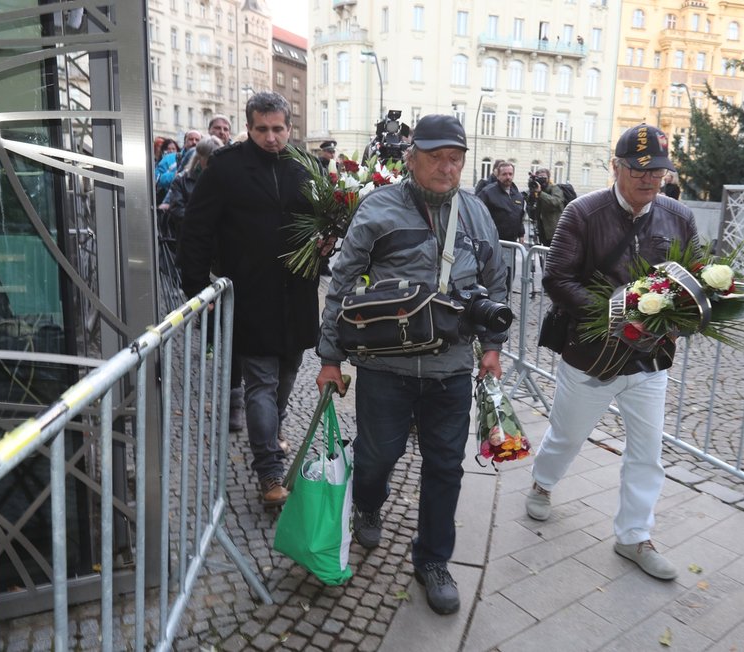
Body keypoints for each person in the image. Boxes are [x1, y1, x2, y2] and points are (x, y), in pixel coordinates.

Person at [315, 114, 509, 615]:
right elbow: (341, 283)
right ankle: (367, 502)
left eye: (456, 159)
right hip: (386, 367)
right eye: (437, 157)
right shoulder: (378, 208)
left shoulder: (477, 213)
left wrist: (493, 345)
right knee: (379, 455)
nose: (448, 168)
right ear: (411, 157)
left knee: (446, 466)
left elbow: (498, 281)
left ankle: (433, 560)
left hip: (450, 370)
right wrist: (330, 357)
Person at [526, 124, 699, 582]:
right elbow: (556, 279)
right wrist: (616, 313)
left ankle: (634, 536)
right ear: (616, 167)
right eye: (639, 169)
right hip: (591, 356)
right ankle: (543, 483)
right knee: (568, 435)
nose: (649, 179)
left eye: (657, 171)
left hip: (650, 359)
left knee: (648, 452)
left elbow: (693, 278)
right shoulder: (581, 213)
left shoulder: (679, 216)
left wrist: (686, 316)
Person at [177, 91, 320, 508]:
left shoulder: (303, 167)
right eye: (262, 129)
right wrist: (196, 290)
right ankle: (269, 470)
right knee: (261, 382)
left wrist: (326, 242)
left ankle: (271, 432)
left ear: (290, 128)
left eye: (278, 129)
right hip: (249, 293)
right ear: (249, 127)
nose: (271, 137)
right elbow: (197, 230)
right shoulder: (226, 168)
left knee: (288, 376)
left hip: (298, 294)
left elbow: (319, 221)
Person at [476, 162, 525, 243]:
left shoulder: (517, 195)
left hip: (512, 243)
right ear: (498, 176)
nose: (508, 177)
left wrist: (521, 234)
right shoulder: (488, 192)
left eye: (510, 174)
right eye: (504, 174)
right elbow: (477, 215)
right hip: (492, 241)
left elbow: (519, 216)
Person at [529, 167, 566, 246]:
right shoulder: (537, 189)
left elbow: (555, 202)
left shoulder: (555, 189)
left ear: (548, 178)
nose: (542, 180)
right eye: (539, 178)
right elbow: (530, 205)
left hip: (556, 232)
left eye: (544, 178)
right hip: (544, 232)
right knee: (546, 256)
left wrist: (540, 193)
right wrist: (532, 191)